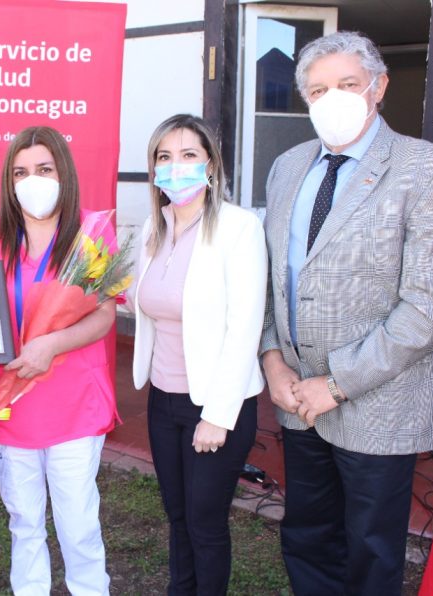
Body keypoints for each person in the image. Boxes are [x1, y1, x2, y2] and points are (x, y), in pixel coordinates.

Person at [260, 31, 433, 595]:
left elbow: (429, 308)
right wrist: (274, 362)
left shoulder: (429, 169)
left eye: (348, 85)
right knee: (306, 535)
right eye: (318, 89)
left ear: (378, 87)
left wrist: (338, 382)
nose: (333, 98)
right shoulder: (287, 166)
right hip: (297, 397)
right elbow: (276, 281)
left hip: (378, 402)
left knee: (372, 551)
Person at [0, 125, 117, 596]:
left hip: (75, 405)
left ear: (64, 174)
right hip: (11, 406)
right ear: (9, 182)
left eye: (44, 169)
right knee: (24, 523)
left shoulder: (92, 233)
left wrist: (53, 344)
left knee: (78, 526)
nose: (33, 179)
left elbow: (105, 314)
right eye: (21, 172)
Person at [130, 114, 267, 595]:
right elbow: (147, 301)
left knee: (206, 526)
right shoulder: (153, 227)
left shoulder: (238, 228)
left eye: (188, 155)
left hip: (215, 404)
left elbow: (243, 328)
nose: (176, 167)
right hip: (163, 400)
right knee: (178, 517)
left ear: (210, 163)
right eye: (164, 157)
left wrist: (218, 415)